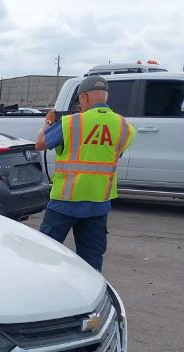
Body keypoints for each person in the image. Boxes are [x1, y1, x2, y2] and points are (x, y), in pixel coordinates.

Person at [34, 75, 134, 271]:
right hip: (98, 204)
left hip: (65, 201)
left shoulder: (71, 122)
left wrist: (48, 121)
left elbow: (40, 143)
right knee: (91, 259)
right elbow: (115, 153)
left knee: (45, 254)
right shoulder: (125, 127)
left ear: (84, 97)